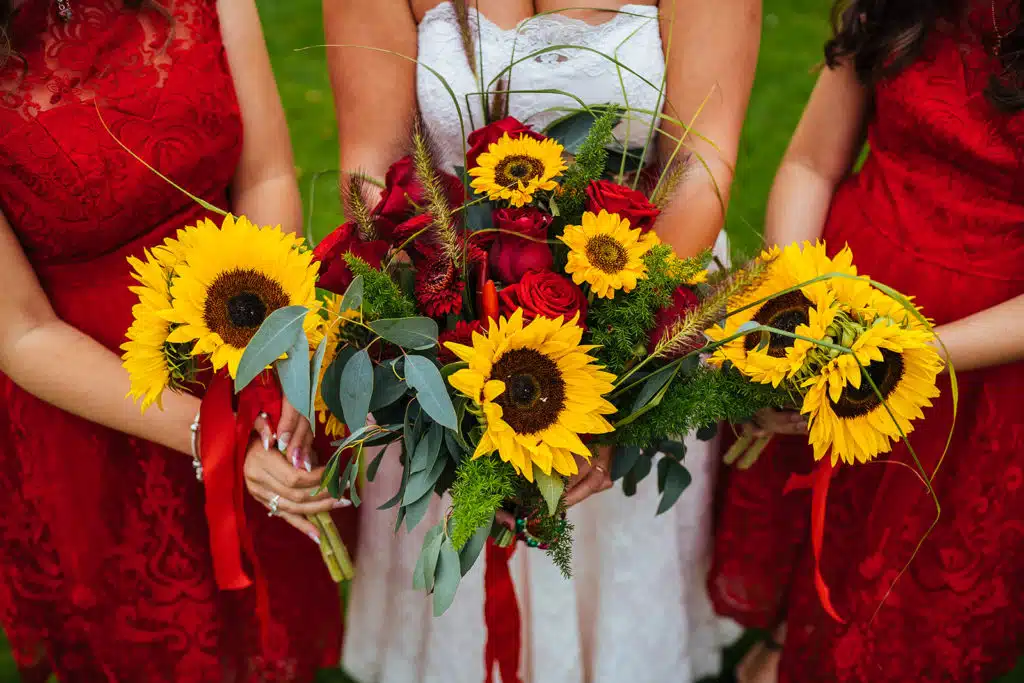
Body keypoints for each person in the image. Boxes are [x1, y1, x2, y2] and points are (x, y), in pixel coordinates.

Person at [323, 1, 760, 680]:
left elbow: (698, 167)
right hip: (449, 341)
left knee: (614, 585)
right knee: (462, 590)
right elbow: (369, 171)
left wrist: (614, 384)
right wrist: (444, 342)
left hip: (644, 313)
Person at [0, 0, 354, 679]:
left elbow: (267, 175)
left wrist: (279, 352)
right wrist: (215, 439)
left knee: (274, 616)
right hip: (96, 407)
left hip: (244, 337)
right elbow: (20, 330)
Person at [708, 1, 1024, 682]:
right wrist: (799, 306)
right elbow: (811, 164)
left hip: (978, 373)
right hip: (840, 297)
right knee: (819, 517)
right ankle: (791, 633)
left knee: (906, 573)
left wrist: (909, 356)